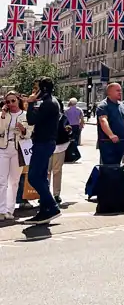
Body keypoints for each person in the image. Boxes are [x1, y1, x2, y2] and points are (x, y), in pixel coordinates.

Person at [24, 77, 63, 225]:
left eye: (36, 88)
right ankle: (45, 209)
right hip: (43, 142)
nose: (34, 91)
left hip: (44, 143)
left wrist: (31, 102)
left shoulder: (49, 103)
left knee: (34, 177)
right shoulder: (50, 102)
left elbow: (32, 120)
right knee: (40, 176)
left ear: (42, 89)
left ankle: (51, 206)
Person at [0, 91, 27, 221]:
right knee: (1, 180)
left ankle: (10, 210)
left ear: (18, 100)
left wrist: (23, 130)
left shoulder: (25, 115)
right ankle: (1, 209)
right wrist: (3, 115)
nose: (11, 104)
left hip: (18, 150)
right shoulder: (3, 115)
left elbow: (29, 134)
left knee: (14, 181)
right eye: (8, 102)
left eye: (13, 101)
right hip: (3, 148)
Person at [96, 83, 124, 166]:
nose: (120, 92)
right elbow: (103, 120)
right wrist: (111, 135)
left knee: (117, 166)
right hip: (107, 142)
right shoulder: (103, 105)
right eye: (117, 90)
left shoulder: (122, 105)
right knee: (107, 167)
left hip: (120, 141)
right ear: (109, 92)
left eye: (120, 90)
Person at [48, 110, 73, 205]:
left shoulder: (63, 118)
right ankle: (45, 194)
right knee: (46, 171)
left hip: (60, 146)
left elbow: (68, 130)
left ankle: (56, 194)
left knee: (57, 171)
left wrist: (68, 129)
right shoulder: (45, 117)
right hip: (47, 146)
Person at [65, 98, 84, 162]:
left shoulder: (67, 110)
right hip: (76, 126)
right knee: (75, 140)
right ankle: (74, 154)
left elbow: (65, 119)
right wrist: (81, 126)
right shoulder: (79, 110)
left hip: (69, 126)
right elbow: (82, 119)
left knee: (71, 141)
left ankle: (74, 154)